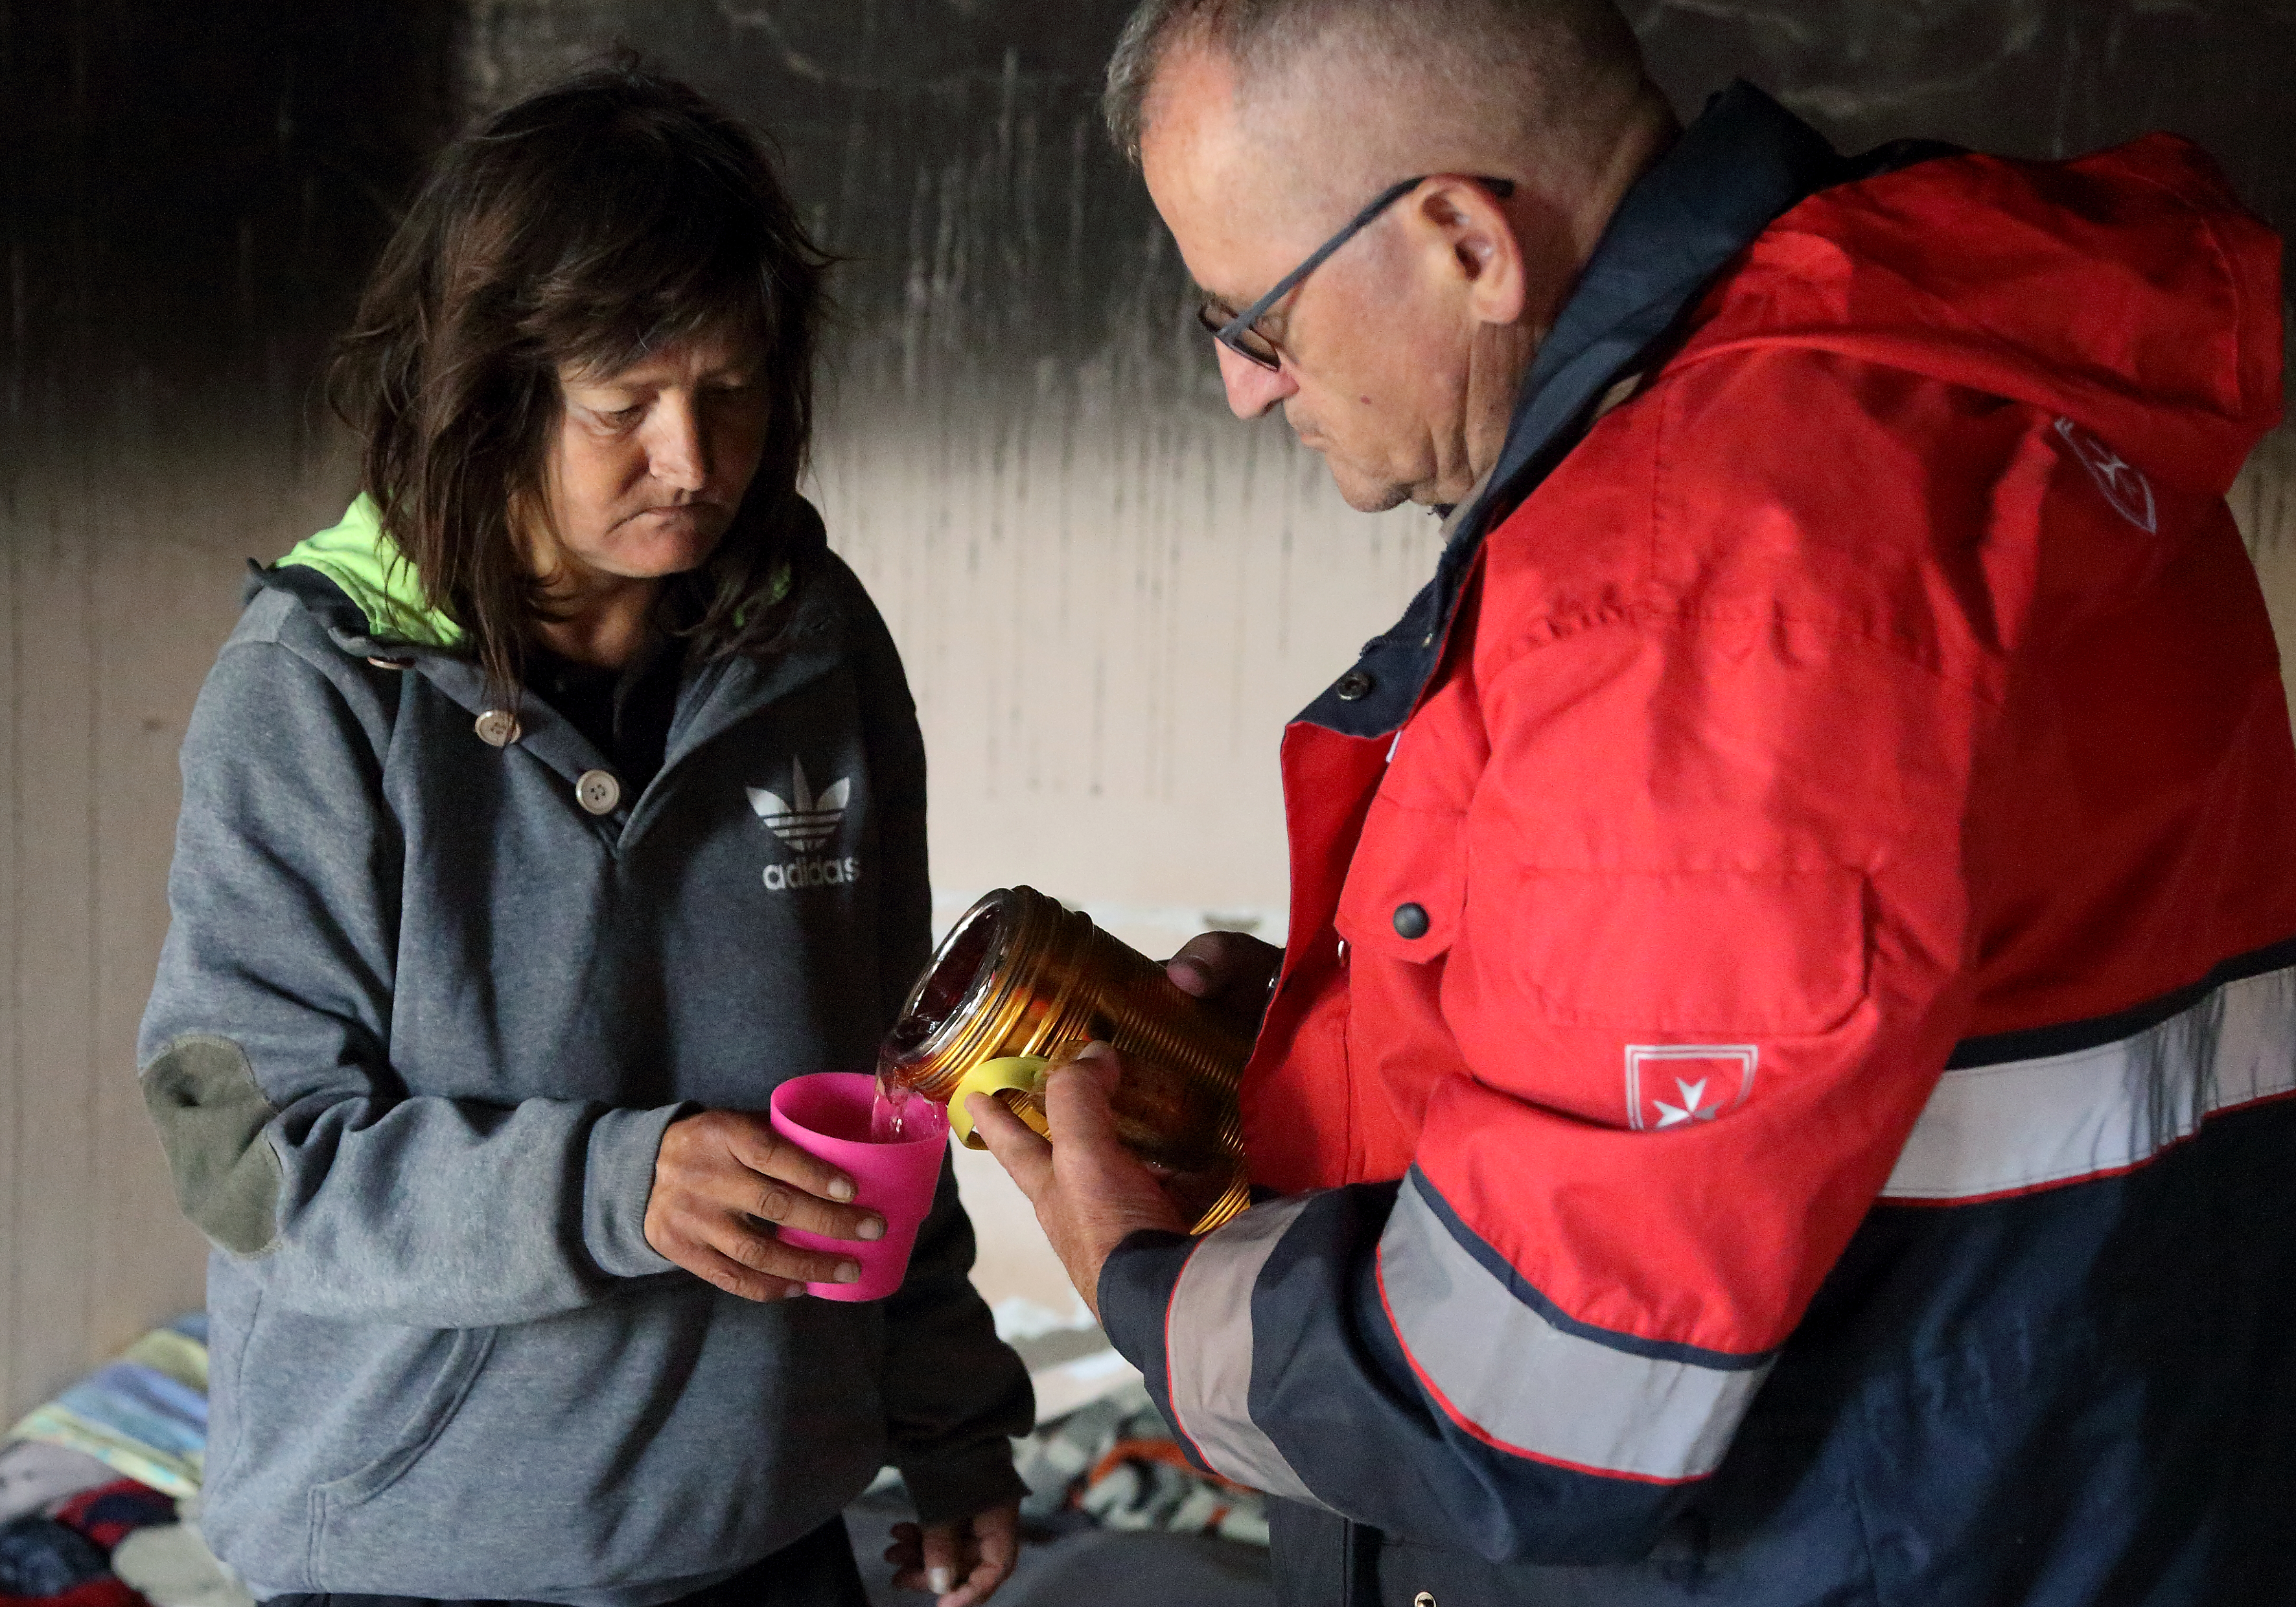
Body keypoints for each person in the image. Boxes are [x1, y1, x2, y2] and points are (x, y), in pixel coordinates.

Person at [970, 3, 2296, 1603]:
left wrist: (1145, 1285)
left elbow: (1532, 1406)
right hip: (2061, 1476)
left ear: (1465, 240)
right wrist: (1386, 1035)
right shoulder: (1928, 387)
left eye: (1249, 318)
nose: (1247, 388)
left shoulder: (1698, 583)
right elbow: (1839, 1020)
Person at [137, 65, 1028, 1607]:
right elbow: (246, 1157)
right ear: (492, 391)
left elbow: (890, 1084)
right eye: (624, 408)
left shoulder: (812, 651)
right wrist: (618, 1186)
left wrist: (952, 1423)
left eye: (733, 392)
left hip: (768, 1530)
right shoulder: (314, 696)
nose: (691, 460)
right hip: (416, 1556)